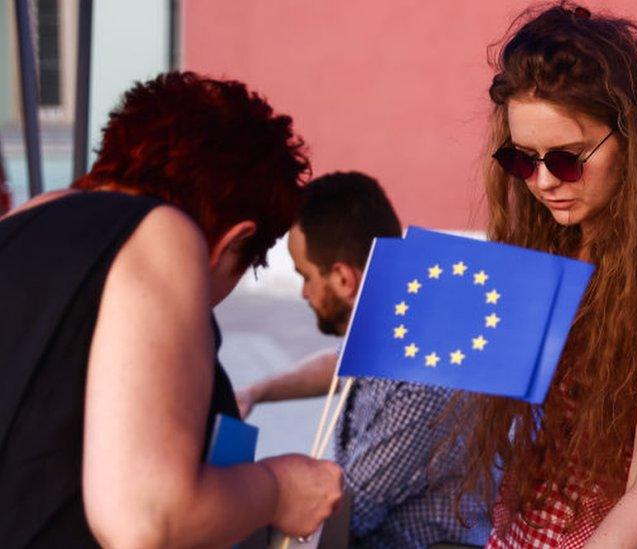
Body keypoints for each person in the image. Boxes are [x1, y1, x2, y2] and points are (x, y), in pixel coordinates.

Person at [0, 72, 343, 547]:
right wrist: (279, 489)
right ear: (235, 241)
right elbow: (145, 518)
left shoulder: (21, 226)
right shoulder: (160, 231)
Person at [453, 5, 637, 548]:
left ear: (631, 140)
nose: (542, 182)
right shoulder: (552, 243)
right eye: (522, 159)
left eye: (567, 160)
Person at [236, 172, 488, 548]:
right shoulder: (394, 329)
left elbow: (341, 509)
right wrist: (256, 392)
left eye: (305, 276)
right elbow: (340, 366)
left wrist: (247, 494)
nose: (304, 293)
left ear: (342, 278)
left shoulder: (418, 378)